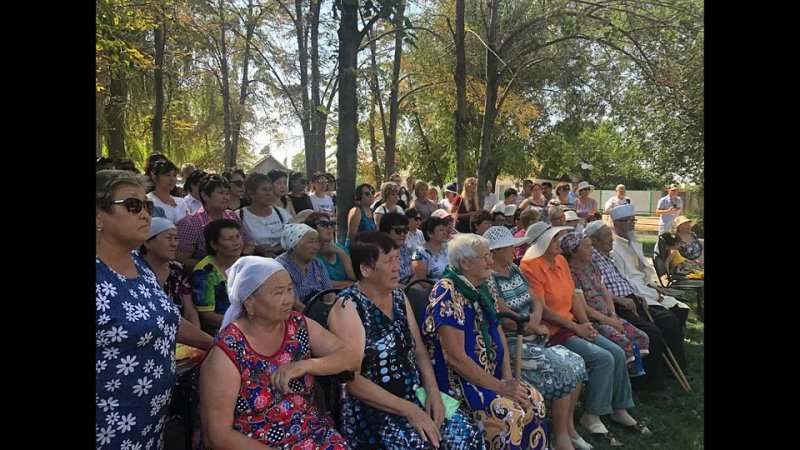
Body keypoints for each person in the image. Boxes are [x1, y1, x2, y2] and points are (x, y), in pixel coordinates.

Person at [327, 232, 486, 449]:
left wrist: (433, 393)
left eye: (397, 258)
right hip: (375, 408)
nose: (397, 267)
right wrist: (409, 410)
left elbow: (419, 351)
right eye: (388, 261)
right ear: (365, 269)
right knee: (420, 445)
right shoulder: (348, 306)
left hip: (413, 394)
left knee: (467, 435)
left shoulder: (399, 297)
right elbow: (351, 381)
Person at [96, 170, 212, 450]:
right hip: (106, 428)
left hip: (149, 422)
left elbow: (167, 320)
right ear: (98, 216)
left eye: (146, 206)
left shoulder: (140, 267)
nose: (145, 214)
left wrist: (219, 345)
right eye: (133, 206)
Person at [199, 256, 359, 449]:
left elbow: (351, 358)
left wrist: (306, 365)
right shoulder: (228, 351)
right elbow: (217, 435)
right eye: (278, 292)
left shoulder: (298, 325)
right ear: (250, 302)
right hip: (254, 442)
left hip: (309, 433)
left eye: (290, 289)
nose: (288, 300)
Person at [520, 222, 650, 447]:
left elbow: (573, 296)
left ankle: (620, 408)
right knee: (603, 358)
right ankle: (592, 415)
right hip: (553, 331)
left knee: (617, 353)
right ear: (542, 243)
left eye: (559, 237)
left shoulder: (560, 260)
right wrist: (576, 328)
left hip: (571, 324)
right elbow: (543, 309)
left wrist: (585, 323)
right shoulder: (530, 266)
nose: (559, 242)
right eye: (554, 238)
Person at [422, 233, 549, 450]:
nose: (490, 261)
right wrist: (500, 387)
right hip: (460, 383)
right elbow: (455, 359)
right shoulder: (447, 291)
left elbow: (497, 328)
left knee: (534, 400)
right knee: (510, 413)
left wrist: (508, 378)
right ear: (465, 263)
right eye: (485, 257)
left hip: (492, 375)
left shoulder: (483, 285)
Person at [484, 226, 591, 450]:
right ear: (494, 252)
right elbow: (506, 318)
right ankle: (560, 436)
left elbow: (536, 299)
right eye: (509, 246)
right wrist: (532, 325)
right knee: (564, 369)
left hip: (532, 332)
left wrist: (535, 318)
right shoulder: (489, 277)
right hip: (514, 341)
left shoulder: (513, 268)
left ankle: (566, 428)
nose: (515, 248)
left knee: (577, 363)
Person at [586, 220, 687, 397]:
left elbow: (622, 279)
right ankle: (648, 386)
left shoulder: (605, 255)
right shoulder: (591, 259)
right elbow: (596, 291)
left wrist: (635, 294)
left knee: (666, 320)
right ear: (594, 241)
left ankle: (666, 372)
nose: (611, 240)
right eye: (607, 237)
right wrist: (621, 300)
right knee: (652, 333)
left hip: (633, 298)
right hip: (618, 305)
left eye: (610, 235)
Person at [560, 232, 651, 376]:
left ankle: (635, 379)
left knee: (641, 337)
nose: (592, 250)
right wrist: (610, 321)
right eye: (587, 247)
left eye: (591, 245)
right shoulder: (571, 274)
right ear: (573, 252)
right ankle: (622, 382)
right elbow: (585, 309)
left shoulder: (592, 265)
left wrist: (613, 315)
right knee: (624, 343)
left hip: (609, 315)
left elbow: (605, 291)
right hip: (594, 321)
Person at [176, 174, 255, 269]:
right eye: (220, 193)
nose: (226, 197)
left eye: (227, 193)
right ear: (205, 196)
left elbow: (249, 243)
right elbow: (181, 259)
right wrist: (216, 266)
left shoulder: (232, 216)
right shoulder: (190, 223)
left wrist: (238, 260)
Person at [141, 217, 202, 328]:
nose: (174, 244)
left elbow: (190, 312)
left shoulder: (177, 270)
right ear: (147, 243)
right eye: (169, 238)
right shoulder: (135, 271)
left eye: (176, 238)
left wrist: (196, 342)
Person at [192, 219, 243, 333]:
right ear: (214, 244)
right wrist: (243, 325)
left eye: (238, 236)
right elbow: (208, 316)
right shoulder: (204, 272)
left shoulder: (247, 263)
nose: (236, 242)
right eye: (229, 239)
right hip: (222, 331)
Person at [275, 224, 333, 304]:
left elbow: (329, 294)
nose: (315, 247)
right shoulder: (281, 267)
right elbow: (295, 304)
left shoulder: (317, 263)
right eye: (311, 242)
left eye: (316, 242)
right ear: (294, 245)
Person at [239, 172, 292, 257]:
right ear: (251, 193)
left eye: (270, 189)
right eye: (264, 189)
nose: (269, 193)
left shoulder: (282, 214)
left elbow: (292, 239)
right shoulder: (239, 216)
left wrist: (276, 249)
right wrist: (257, 249)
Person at [303, 212, 357, 289]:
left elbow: (354, 277)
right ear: (312, 230)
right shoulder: (311, 254)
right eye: (324, 225)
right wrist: (349, 284)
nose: (329, 228)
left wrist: (341, 253)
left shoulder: (340, 248)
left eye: (331, 224)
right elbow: (323, 284)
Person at [411, 210, 453, 281]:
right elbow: (422, 282)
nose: (445, 232)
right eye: (441, 230)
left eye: (445, 230)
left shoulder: (449, 248)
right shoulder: (420, 253)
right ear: (430, 233)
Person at [146, 159, 191, 224]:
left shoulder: (181, 202)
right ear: (155, 177)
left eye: (174, 175)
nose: (172, 179)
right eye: (167, 175)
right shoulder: (149, 201)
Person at [346, 183, 377, 248]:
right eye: (367, 194)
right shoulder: (356, 211)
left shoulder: (373, 211)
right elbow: (352, 236)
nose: (371, 195)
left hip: (370, 249)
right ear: (359, 196)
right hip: (357, 250)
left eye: (372, 193)